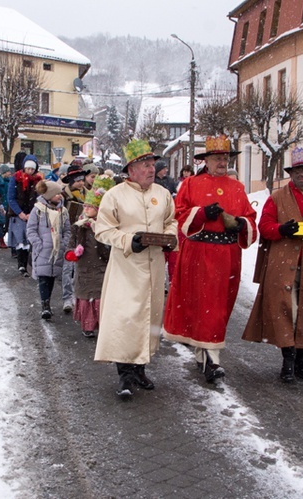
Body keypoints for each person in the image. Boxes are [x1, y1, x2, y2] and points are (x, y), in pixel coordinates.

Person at [162, 135, 258, 383]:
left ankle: (204, 351)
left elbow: (250, 217)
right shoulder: (191, 184)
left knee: (220, 307)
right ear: (207, 161)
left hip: (228, 256)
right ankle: (212, 360)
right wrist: (201, 213)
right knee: (204, 306)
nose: (222, 162)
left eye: (225, 158)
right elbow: (179, 217)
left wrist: (241, 225)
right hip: (200, 252)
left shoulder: (237, 188)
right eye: (217, 158)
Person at [242, 147, 303, 383]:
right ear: (291, 173)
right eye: (298, 170)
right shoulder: (276, 198)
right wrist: (281, 230)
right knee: (287, 311)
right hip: (282, 264)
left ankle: (301, 361)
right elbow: (265, 225)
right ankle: (287, 361)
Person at [93, 139, 177, 399]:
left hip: (153, 267)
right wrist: (130, 240)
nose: (152, 170)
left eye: (153, 165)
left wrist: (170, 237)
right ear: (131, 170)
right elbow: (103, 230)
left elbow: (171, 221)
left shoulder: (162, 194)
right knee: (126, 318)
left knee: (149, 317)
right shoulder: (114, 195)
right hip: (127, 268)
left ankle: (140, 369)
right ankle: (125, 375)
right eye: (145, 165)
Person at [65, 175, 114, 338]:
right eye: (85, 206)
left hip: (101, 265)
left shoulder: (104, 225)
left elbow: (109, 244)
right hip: (84, 266)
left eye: (90, 206)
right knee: (86, 295)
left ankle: (102, 324)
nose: (85, 209)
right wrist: (71, 252)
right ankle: (88, 326)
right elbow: (71, 243)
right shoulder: (79, 225)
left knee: (100, 294)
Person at [27, 180, 71, 320]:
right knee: (43, 277)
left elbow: (67, 230)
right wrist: (38, 244)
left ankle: (47, 302)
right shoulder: (38, 210)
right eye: (57, 193)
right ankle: (45, 305)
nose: (60, 196)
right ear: (49, 195)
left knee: (52, 276)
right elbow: (31, 229)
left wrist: (63, 244)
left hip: (57, 250)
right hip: (43, 250)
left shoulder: (63, 211)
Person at [7, 152, 42, 275]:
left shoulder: (38, 181)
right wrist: (20, 213)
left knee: (29, 239)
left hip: (32, 213)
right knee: (20, 240)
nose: (30, 171)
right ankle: (21, 265)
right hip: (18, 214)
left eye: (32, 169)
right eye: (28, 168)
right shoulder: (15, 179)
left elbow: (39, 197)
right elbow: (11, 198)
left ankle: (27, 264)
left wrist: (32, 213)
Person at [59, 161, 88, 313]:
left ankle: (79, 297)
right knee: (67, 267)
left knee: (80, 269)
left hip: (83, 235)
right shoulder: (63, 196)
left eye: (82, 180)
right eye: (77, 181)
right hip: (69, 234)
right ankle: (67, 298)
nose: (81, 183)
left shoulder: (88, 195)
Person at [0, 165, 11, 249]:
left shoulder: (10, 181)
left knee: (7, 223)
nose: (10, 173)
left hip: (8, 205)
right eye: (8, 171)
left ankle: (1, 236)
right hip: (1, 205)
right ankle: (1, 239)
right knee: (1, 223)